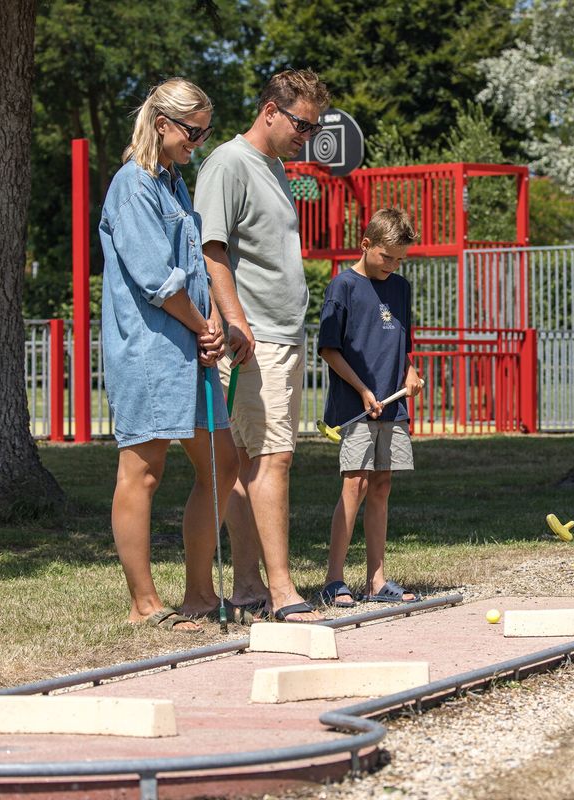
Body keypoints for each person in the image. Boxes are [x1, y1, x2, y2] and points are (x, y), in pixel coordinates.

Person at [99, 78, 238, 632]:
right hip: (152, 348)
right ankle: (144, 605)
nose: (198, 142)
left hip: (192, 344)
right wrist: (205, 324)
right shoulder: (132, 185)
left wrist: (215, 324)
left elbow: (195, 265)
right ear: (163, 124)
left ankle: (201, 595)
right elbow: (157, 278)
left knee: (222, 462)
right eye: (192, 132)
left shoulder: (174, 182)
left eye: (205, 133)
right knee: (143, 469)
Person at [194, 69, 330, 622]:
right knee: (274, 460)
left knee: (253, 462)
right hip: (255, 339)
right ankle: (281, 591)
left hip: (281, 333)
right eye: (301, 123)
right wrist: (235, 320)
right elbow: (211, 247)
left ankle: (249, 587)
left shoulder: (275, 167)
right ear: (270, 110)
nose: (307, 135)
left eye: (313, 126)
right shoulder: (228, 163)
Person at [316, 209, 425, 608]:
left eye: (400, 259)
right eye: (388, 257)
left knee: (381, 485)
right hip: (355, 405)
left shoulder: (400, 288)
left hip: (392, 407)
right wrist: (362, 389)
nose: (393, 266)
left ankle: (376, 582)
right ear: (365, 244)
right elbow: (329, 349)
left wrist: (410, 373)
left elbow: (402, 341)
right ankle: (333, 579)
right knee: (355, 484)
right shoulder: (342, 287)